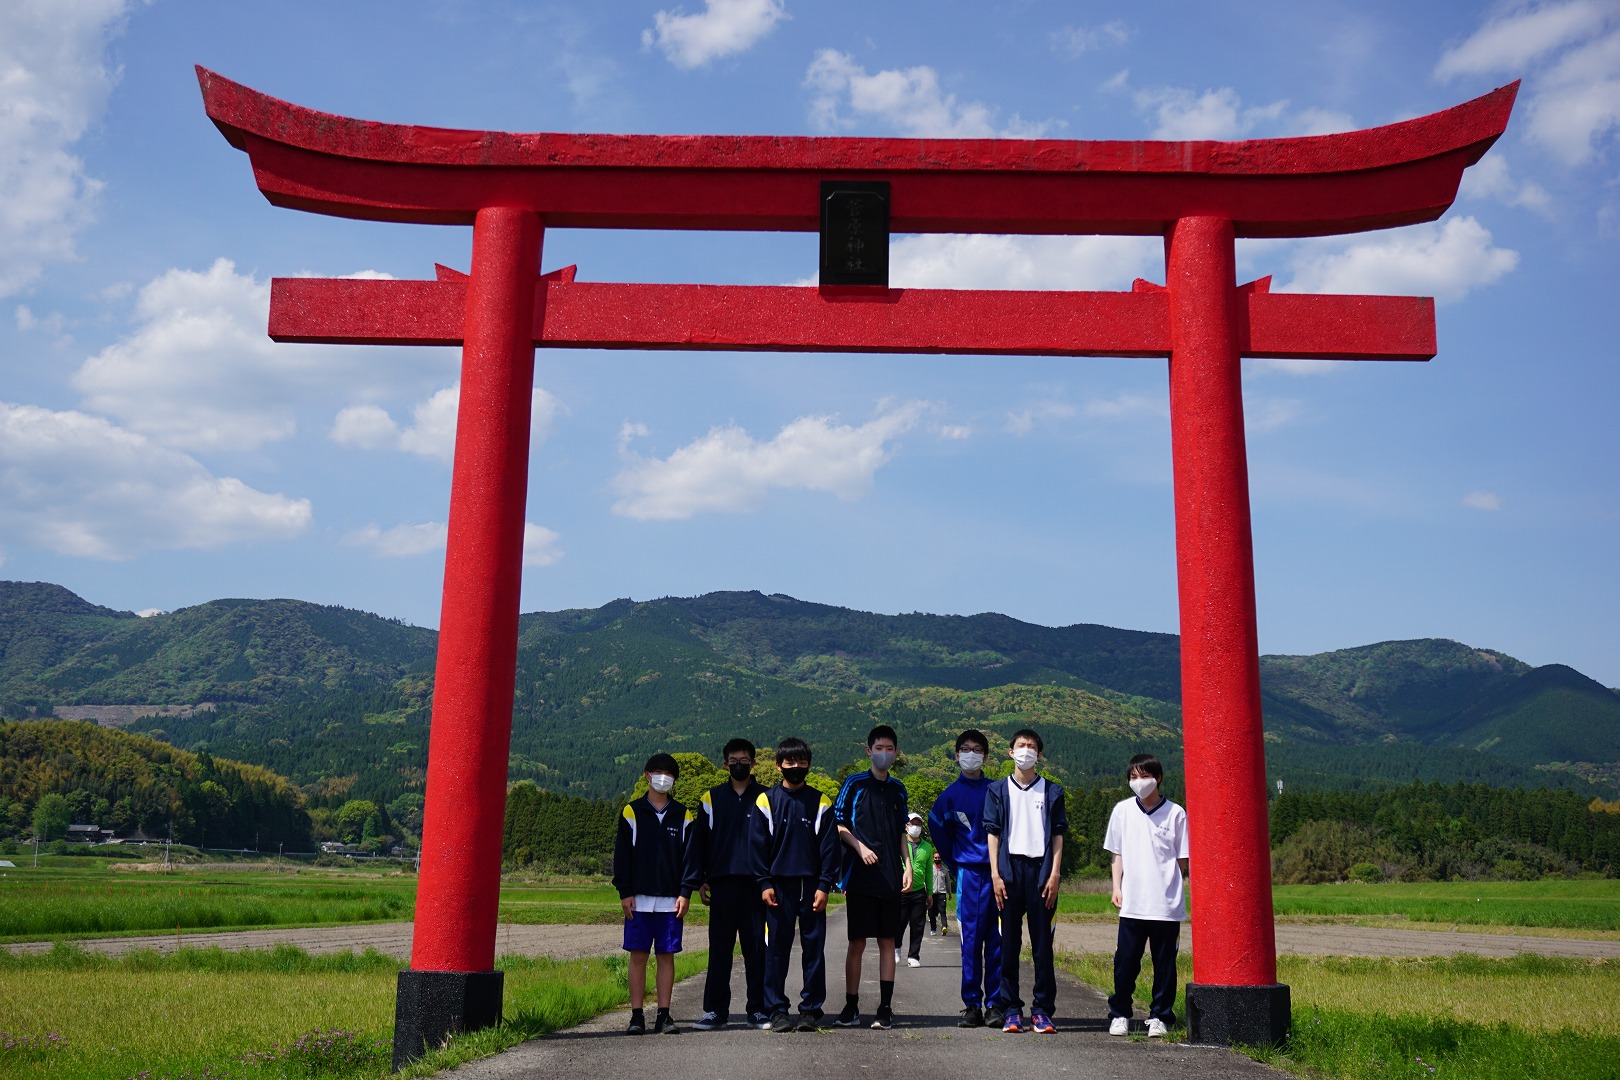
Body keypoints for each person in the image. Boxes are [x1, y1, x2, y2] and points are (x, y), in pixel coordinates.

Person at [984, 728, 1067, 1035]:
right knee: (1008, 946)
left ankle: (1042, 1010)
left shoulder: (1052, 791)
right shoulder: (997, 790)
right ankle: (1011, 1009)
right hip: (1008, 873)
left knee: (1043, 946)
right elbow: (992, 833)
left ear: (1040, 755)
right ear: (1010, 752)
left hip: (1042, 873)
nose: (1026, 750)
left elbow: (1058, 835)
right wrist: (995, 873)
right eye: (1021, 746)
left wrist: (1055, 873)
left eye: (1032, 747)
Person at [753, 737, 839, 1032]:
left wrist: (825, 885)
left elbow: (830, 849)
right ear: (778, 765)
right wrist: (764, 882)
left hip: (813, 887)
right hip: (778, 888)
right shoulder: (766, 801)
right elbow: (757, 847)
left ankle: (811, 1010)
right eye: (790, 762)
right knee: (775, 950)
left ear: (808, 765)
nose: (796, 767)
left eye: (802, 762)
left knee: (813, 949)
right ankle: (776, 1009)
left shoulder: (821, 801)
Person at [1103, 753, 1190, 1039]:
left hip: (1165, 905)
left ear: (1159, 778)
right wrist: (1117, 887)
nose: (1139, 782)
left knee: (1164, 965)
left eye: (1144, 776)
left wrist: (1168, 884)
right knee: (1125, 962)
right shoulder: (1122, 811)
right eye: (1134, 777)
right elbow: (1117, 853)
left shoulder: (1176, 813)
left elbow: (1181, 860)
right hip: (1132, 903)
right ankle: (1119, 1013)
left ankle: (1159, 1016)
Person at [612, 752, 699, 1035]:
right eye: (658, 772)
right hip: (638, 898)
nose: (663, 777)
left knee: (666, 956)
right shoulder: (631, 811)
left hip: (670, 900)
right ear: (647, 775)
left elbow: (690, 859)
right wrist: (625, 891)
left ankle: (664, 1015)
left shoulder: (683, 814)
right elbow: (622, 857)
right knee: (637, 955)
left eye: (669, 773)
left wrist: (686, 891)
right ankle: (636, 1016)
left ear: (674, 780)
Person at [832, 724, 910, 1030]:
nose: (884, 753)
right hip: (861, 876)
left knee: (888, 940)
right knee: (857, 942)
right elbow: (838, 825)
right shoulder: (854, 785)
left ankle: (885, 1008)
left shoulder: (898, 789)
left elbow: (902, 831)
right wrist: (859, 846)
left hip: (890, 875)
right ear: (869, 751)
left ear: (896, 753)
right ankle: (851, 1006)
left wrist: (909, 865)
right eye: (879, 748)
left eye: (890, 749)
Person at [927, 728, 1004, 1028]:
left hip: (998, 875)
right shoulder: (950, 795)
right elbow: (937, 829)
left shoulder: (998, 791)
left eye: (977, 749)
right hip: (969, 874)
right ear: (957, 755)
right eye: (965, 749)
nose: (971, 754)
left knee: (996, 941)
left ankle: (995, 1004)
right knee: (970, 941)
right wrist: (955, 862)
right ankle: (972, 1005)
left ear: (985, 756)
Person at [692, 738, 770, 1031]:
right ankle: (714, 1010)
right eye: (733, 760)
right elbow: (699, 843)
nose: (739, 764)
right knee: (719, 950)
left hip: (756, 886)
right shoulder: (710, 799)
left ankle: (758, 1010)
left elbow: (774, 843)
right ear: (725, 764)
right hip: (721, 886)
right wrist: (700, 879)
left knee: (756, 950)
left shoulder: (766, 798)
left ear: (753, 762)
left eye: (745, 759)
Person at [898, 811, 934, 967]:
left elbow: (929, 872)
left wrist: (930, 893)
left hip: (919, 890)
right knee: (899, 922)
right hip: (901, 890)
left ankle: (914, 956)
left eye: (919, 824)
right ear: (907, 826)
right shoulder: (900, 842)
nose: (916, 827)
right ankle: (896, 948)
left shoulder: (926, 847)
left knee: (918, 925)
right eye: (913, 824)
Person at [928, 851, 952, 936]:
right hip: (932, 893)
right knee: (931, 912)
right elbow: (926, 880)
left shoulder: (945, 870)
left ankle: (944, 927)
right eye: (935, 858)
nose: (937, 859)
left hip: (942, 893)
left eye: (938, 858)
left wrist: (949, 893)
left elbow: (948, 882)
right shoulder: (930, 869)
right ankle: (933, 929)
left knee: (942, 911)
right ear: (933, 859)